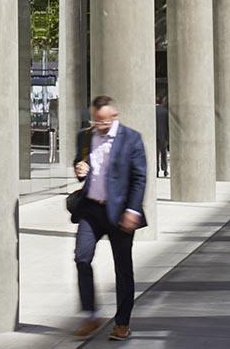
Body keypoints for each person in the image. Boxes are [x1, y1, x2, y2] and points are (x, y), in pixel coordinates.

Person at [71, 94, 147, 341]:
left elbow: (139, 177)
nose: (100, 125)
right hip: (91, 209)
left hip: (120, 212)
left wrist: (133, 210)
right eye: (96, 120)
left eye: (104, 120)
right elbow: (80, 164)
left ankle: (122, 323)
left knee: (123, 268)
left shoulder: (131, 138)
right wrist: (79, 169)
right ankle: (91, 316)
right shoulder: (85, 136)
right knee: (82, 257)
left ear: (114, 116)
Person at [155, 94, 169, 177]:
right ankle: (165, 169)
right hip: (164, 135)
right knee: (164, 153)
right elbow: (167, 124)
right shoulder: (165, 111)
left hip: (155, 135)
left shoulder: (152, 111)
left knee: (156, 154)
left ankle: (156, 170)